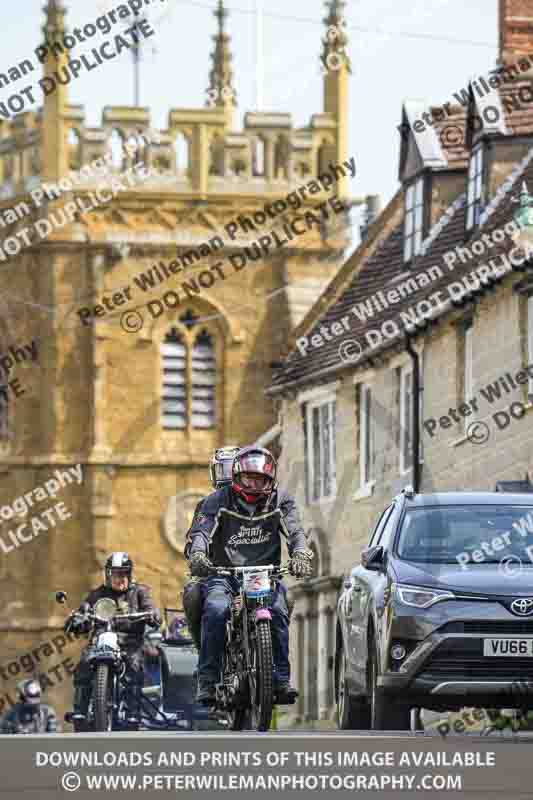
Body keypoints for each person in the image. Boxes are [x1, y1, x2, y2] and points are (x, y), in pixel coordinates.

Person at [185, 446, 313, 704]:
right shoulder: (217, 500)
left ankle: (281, 679)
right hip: (223, 574)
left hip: (265, 575)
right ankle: (207, 680)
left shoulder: (282, 500)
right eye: (248, 478)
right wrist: (198, 554)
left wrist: (300, 553)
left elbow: (296, 532)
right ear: (236, 477)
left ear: (270, 479)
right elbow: (201, 532)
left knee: (278, 610)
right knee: (216, 609)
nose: (254, 484)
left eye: (260, 479)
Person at [64, 552, 161, 728]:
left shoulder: (139, 592)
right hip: (101, 640)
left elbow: (150, 608)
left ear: (129, 574)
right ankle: (80, 711)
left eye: (123, 573)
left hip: (129, 642)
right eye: (115, 574)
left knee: (134, 665)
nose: (119, 578)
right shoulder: (98, 594)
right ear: (108, 575)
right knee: (84, 663)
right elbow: (84, 610)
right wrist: (78, 619)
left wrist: (153, 615)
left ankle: (132, 713)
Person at [182, 446, 241, 650]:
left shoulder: (260, 503)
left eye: (232, 469)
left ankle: (274, 663)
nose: (228, 476)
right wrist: (196, 555)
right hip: (217, 573)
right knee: (192, 595)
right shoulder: (206, 504)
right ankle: (204, 651)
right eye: (222, 470)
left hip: (252, 574)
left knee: (282, 598)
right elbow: (195, 535)